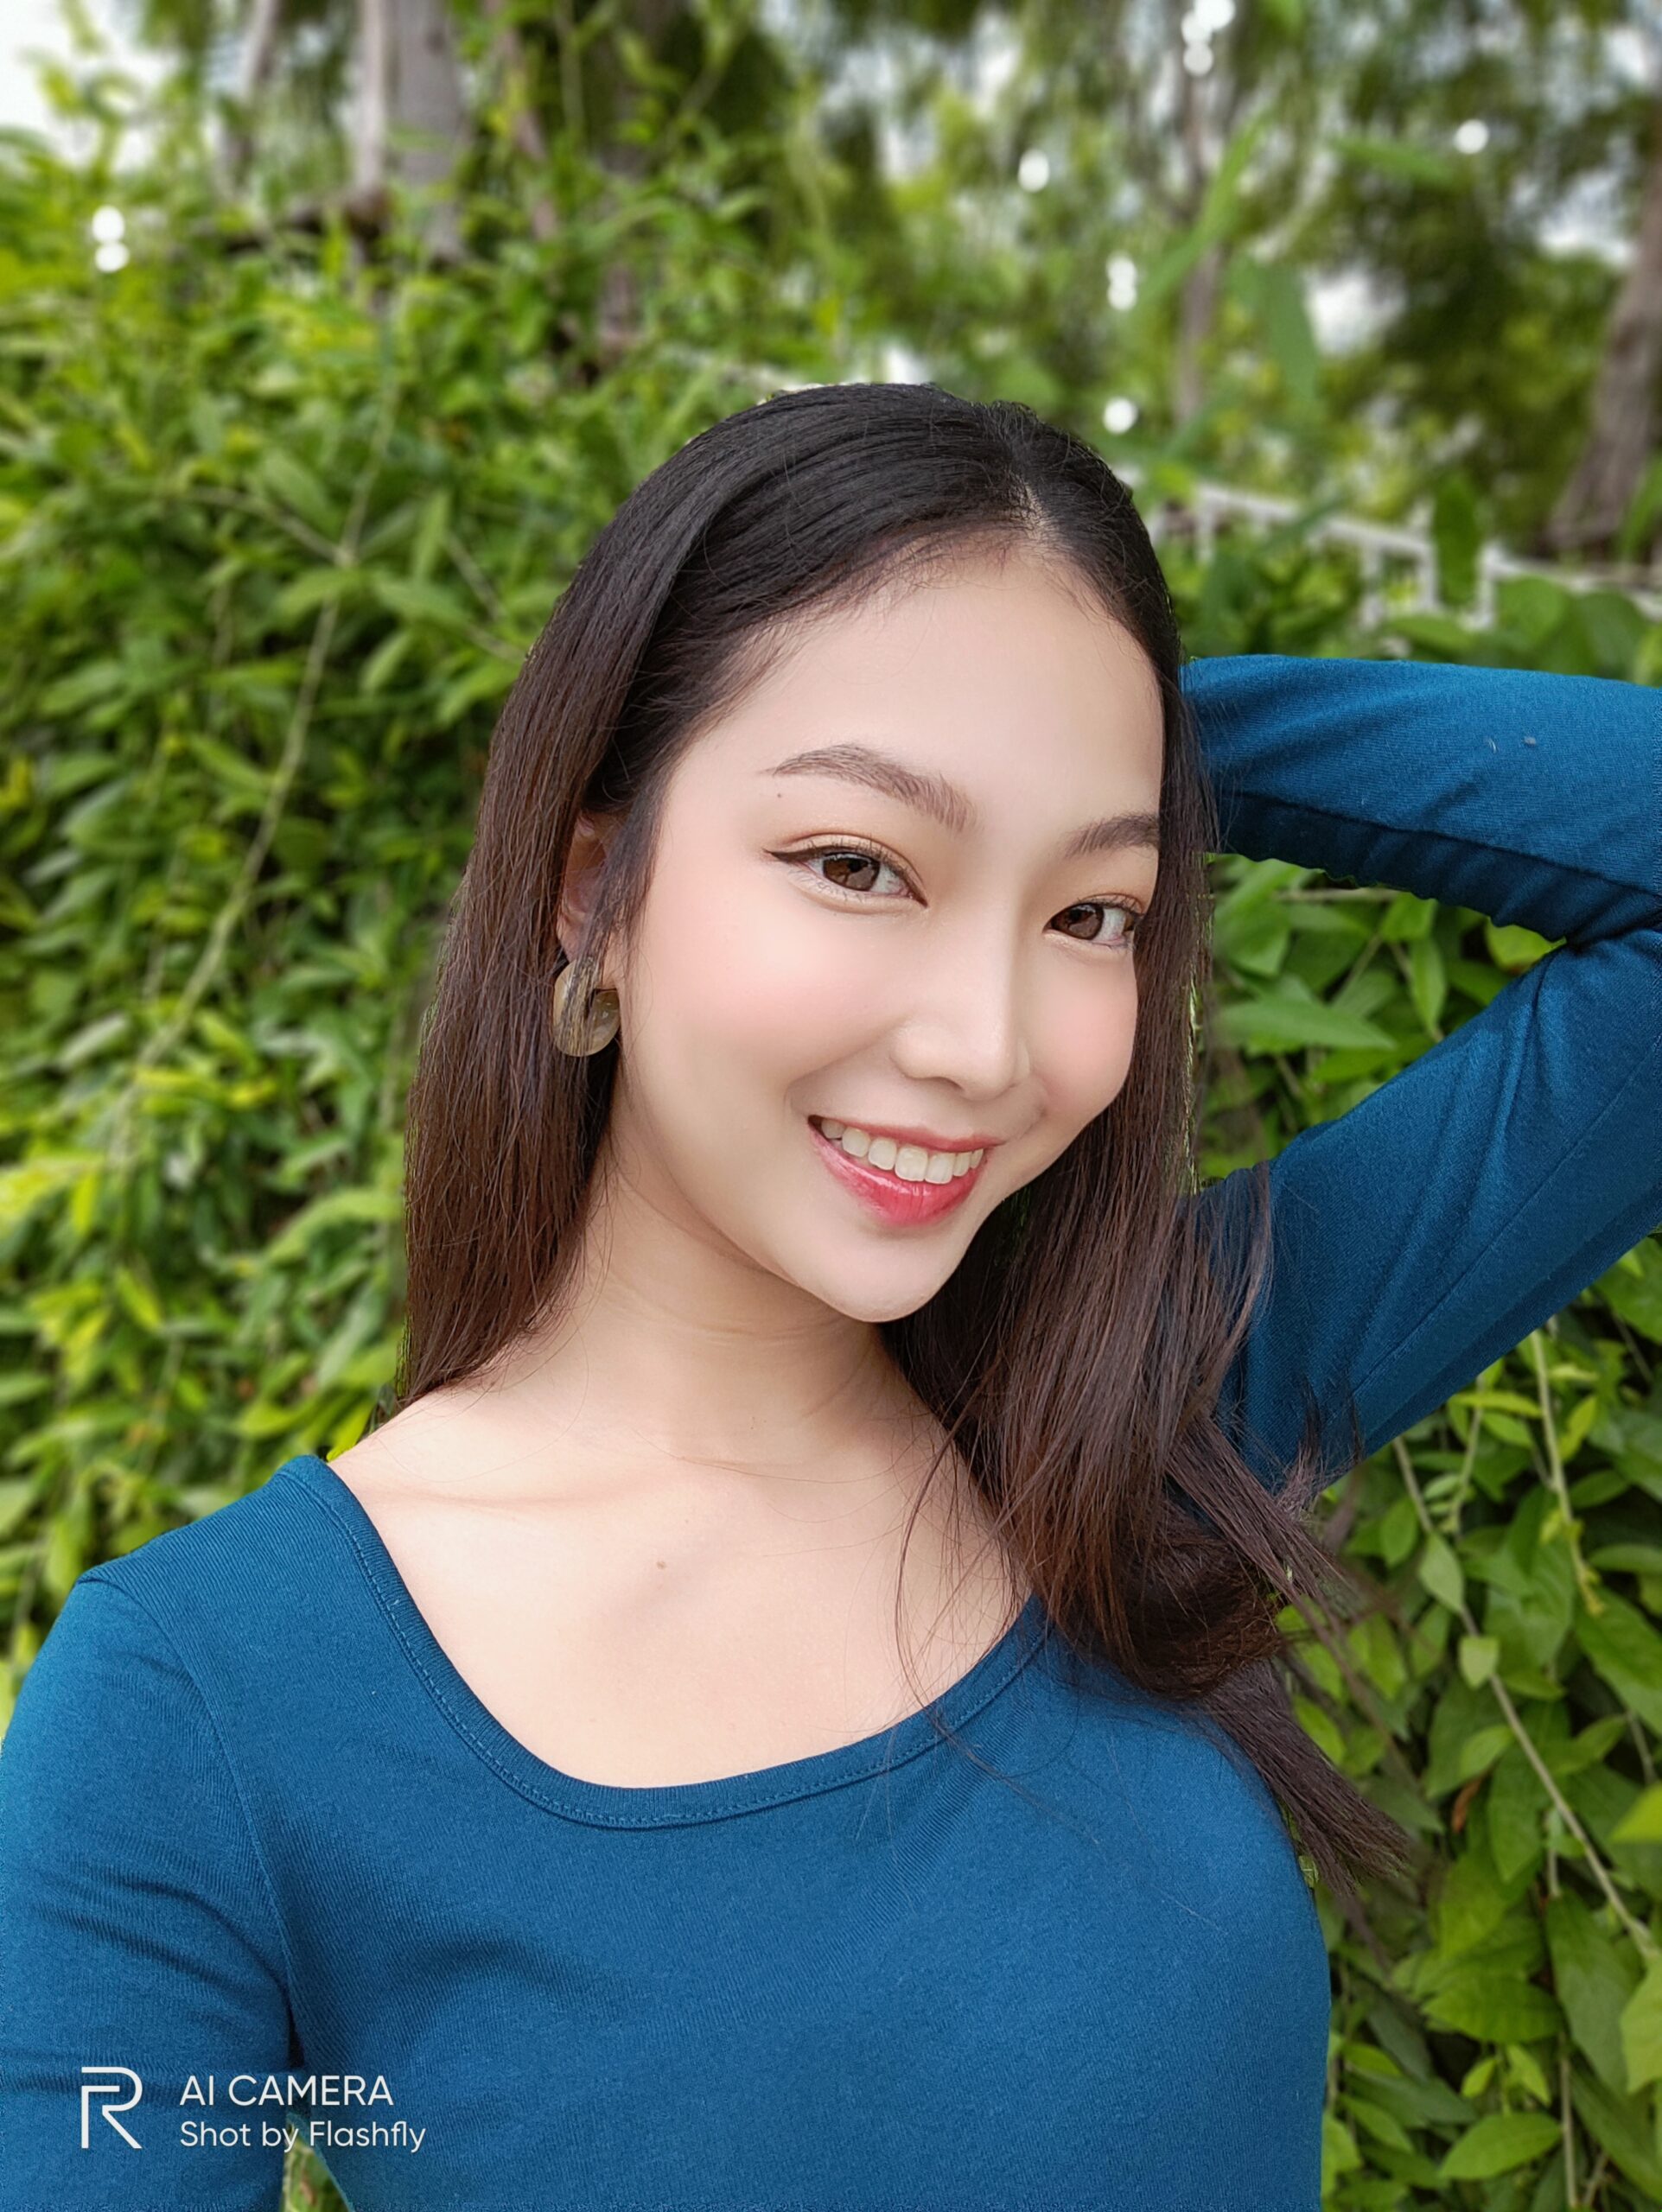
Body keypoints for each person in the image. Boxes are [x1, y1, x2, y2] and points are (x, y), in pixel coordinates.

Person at [1, 384, 1657, 2212]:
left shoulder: (1145, 1415)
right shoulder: (205, 1708)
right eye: (856, 863)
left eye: (1090, 911)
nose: (982, 1044)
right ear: (590, 893)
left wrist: (1107, 732)